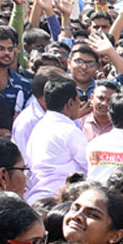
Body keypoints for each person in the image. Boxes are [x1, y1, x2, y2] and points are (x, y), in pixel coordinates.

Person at [23, 76, 89, 204]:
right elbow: (89, 165)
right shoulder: (69, 131)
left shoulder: (39, 127)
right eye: (78, 100)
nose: (79, 105)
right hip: (59, 200)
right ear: (70, 103)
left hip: (36, 198)